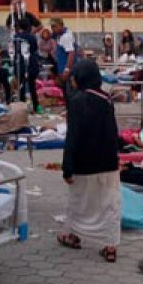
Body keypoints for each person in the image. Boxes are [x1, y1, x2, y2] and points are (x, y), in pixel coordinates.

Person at [56, 60, 121, 261]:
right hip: (108, 162)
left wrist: (67, 167)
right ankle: (110, 247)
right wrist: (116, 158)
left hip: (83, 162)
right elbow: (113, 132)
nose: (73, 80)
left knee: (79, 202)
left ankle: (74, 236)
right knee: (108, 203)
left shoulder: (76, 100)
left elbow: (73, 136)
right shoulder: (106, 99)